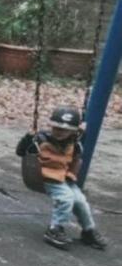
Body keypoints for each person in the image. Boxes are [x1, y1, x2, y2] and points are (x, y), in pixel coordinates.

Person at [16, 105, 108, 251]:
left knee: (80, 201)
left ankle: (88, 230)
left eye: (65, 130)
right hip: (44, 177)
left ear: (73, 131)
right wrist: (28, 137)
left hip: (64, 178)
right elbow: (21, 152)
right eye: (56, 128)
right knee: (66, 198)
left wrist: (71, 175)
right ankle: (54, 229)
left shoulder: (74, 142)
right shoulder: (40, 139)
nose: (59, 132)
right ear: (51, 126)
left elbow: (76, 156)